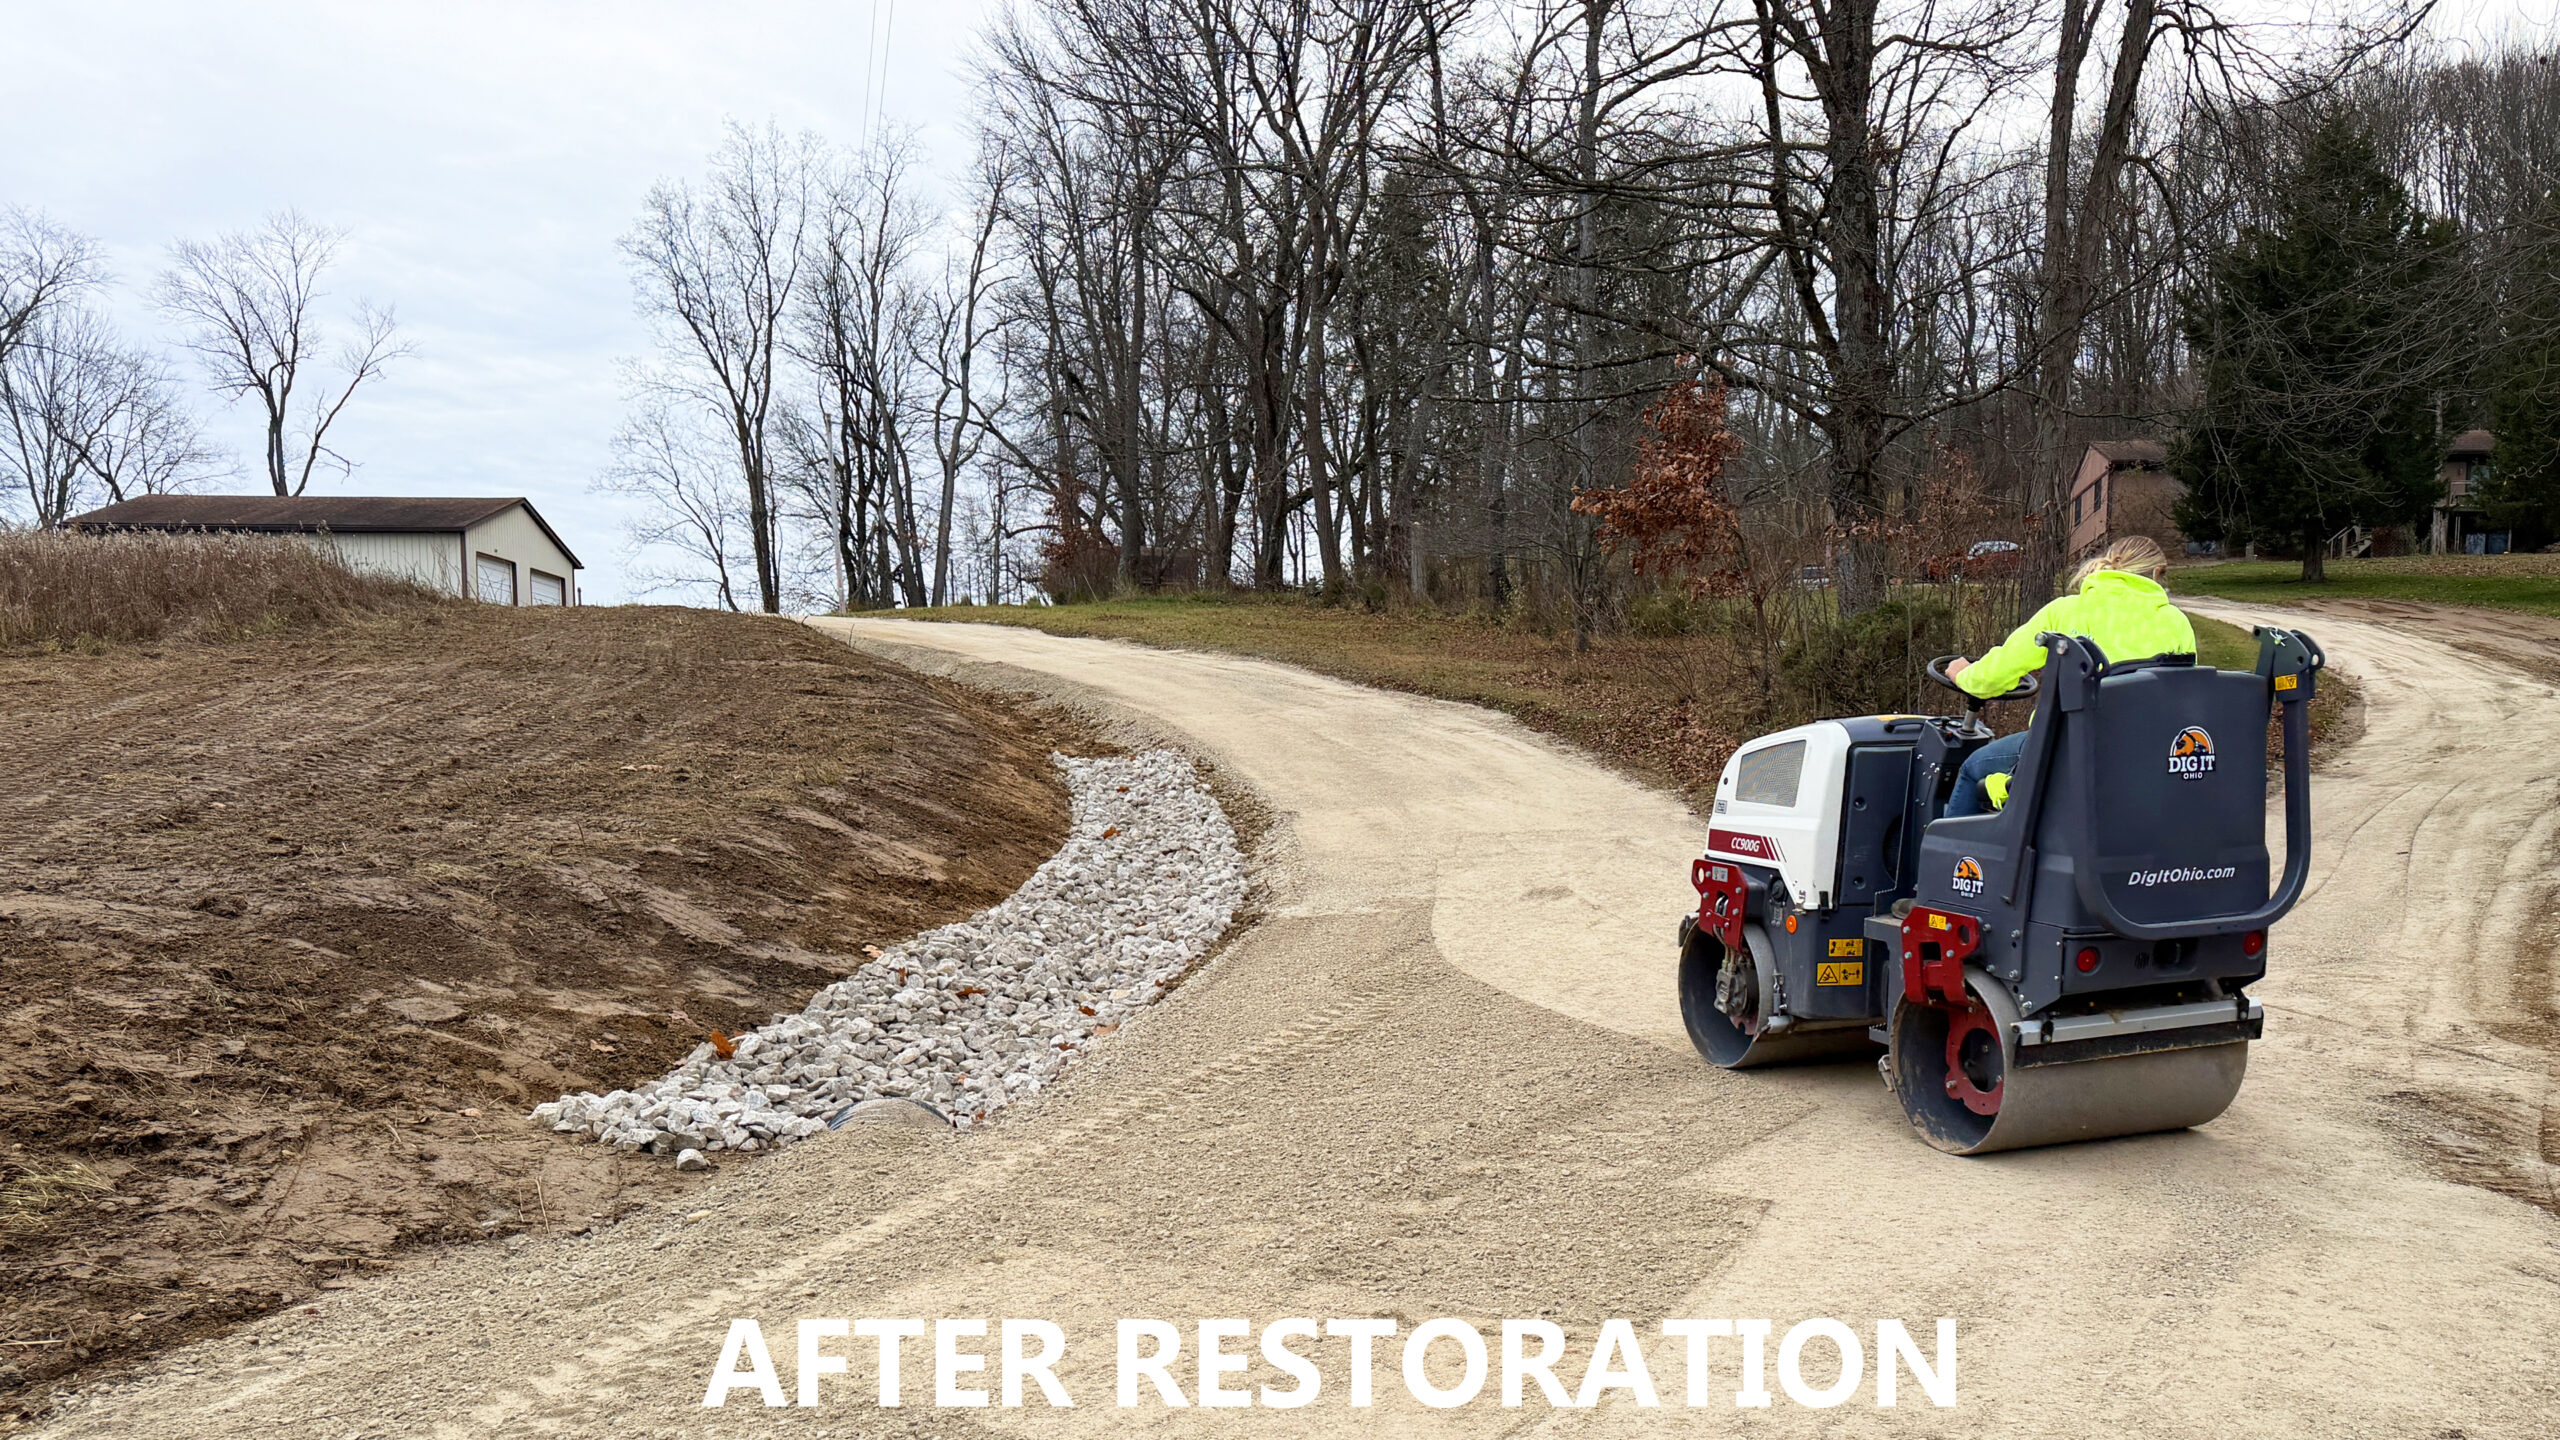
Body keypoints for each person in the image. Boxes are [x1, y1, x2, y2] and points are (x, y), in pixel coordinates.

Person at [1941, 535, 2194, 817]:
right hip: (2145, 753)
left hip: (2065, 750)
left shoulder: (2065, 611)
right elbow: (2185, 692)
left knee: (1972, 768)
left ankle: (1947, 859)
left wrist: (1964, 675)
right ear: (2158, 574)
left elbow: (1993, 676)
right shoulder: (2176, 622)